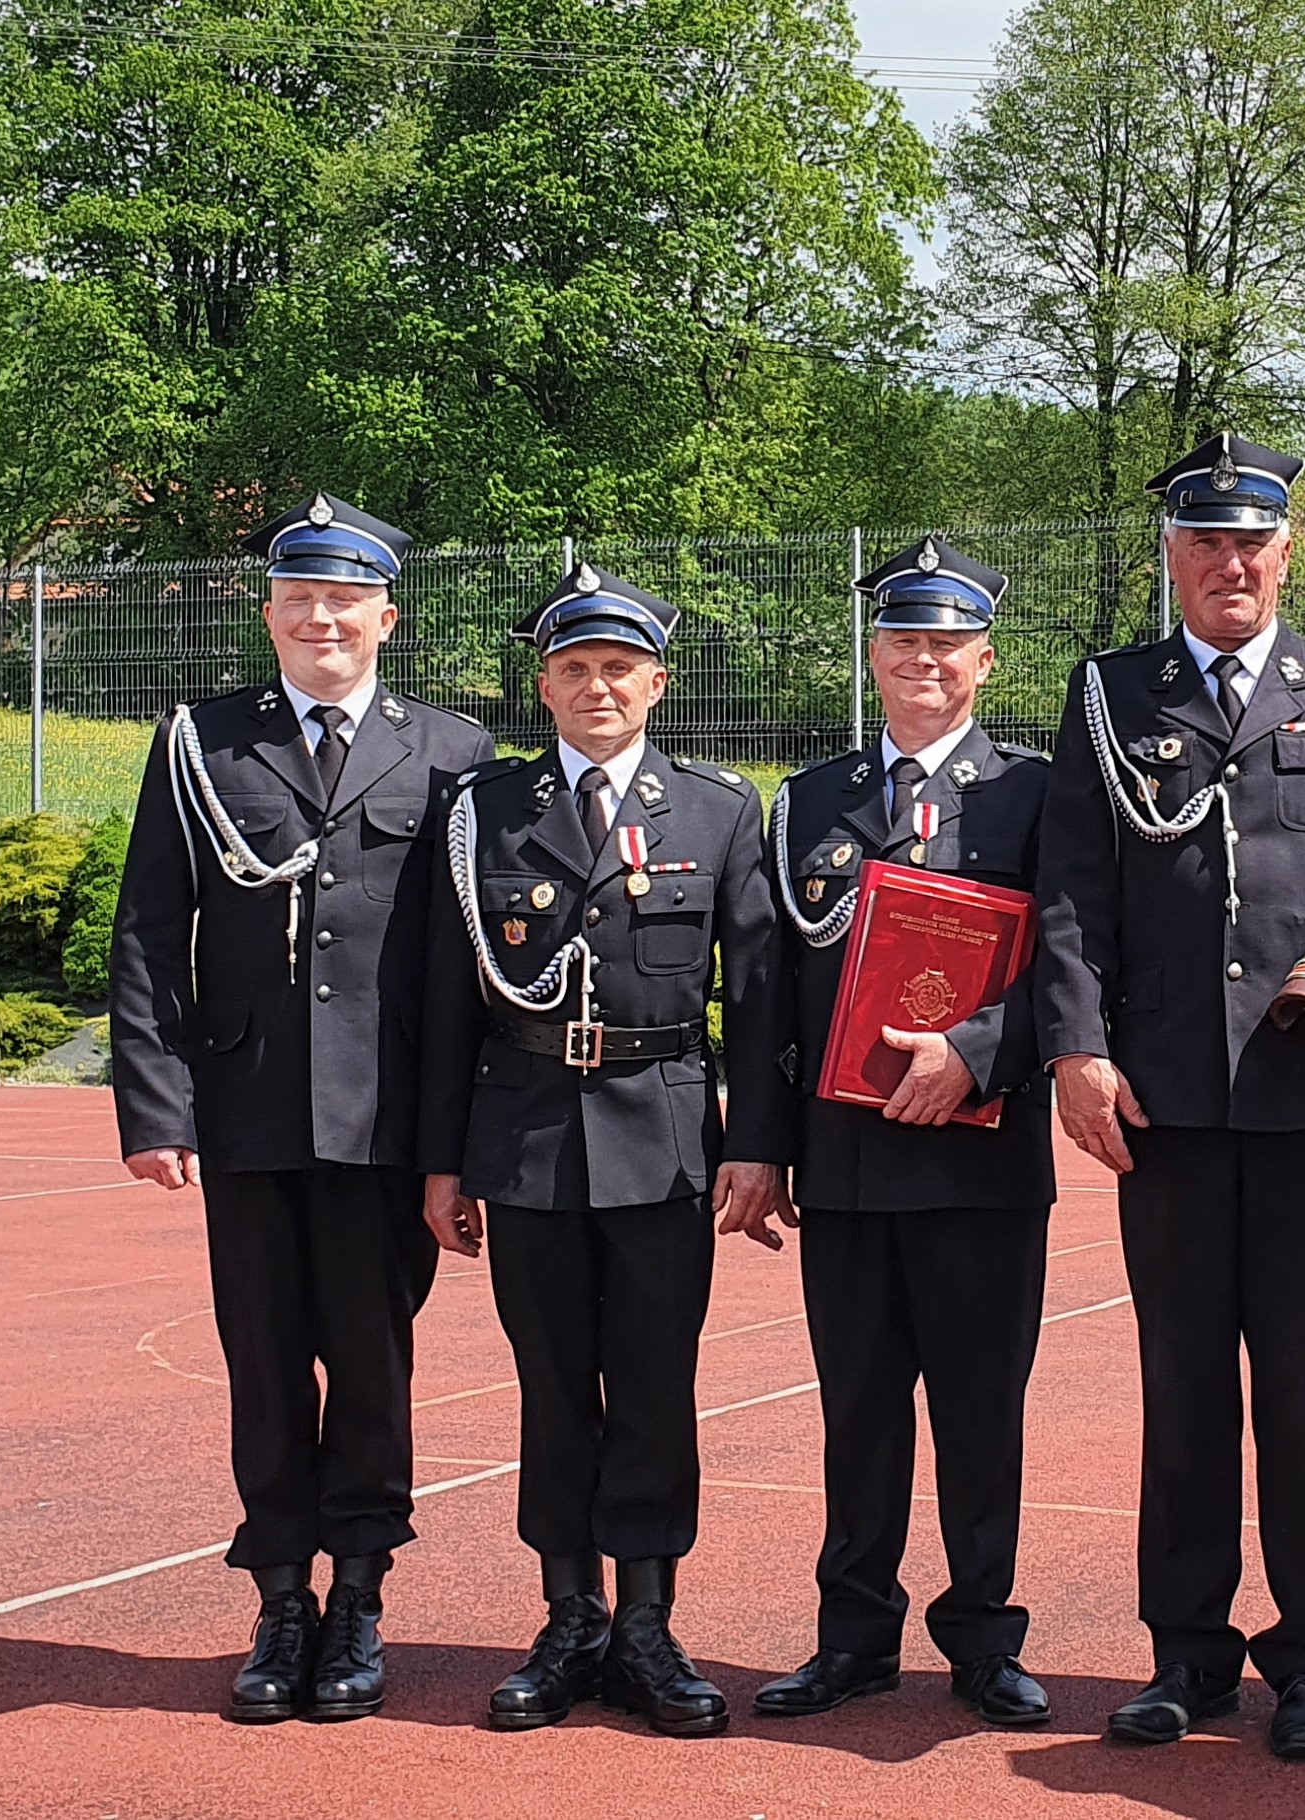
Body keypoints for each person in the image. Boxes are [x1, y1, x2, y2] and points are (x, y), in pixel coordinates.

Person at [1034, 433, 1305, 1762]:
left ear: (1285, 551)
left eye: (1251, 542)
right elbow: (1073, 889)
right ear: (1173, 556)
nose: (1230, 563)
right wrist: (1075, 1047)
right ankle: (1187, 1655)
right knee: (1185, 1387)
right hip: (1167, 1103)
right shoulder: (1111, 694)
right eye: (1205, 542)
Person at [107, 493, 493, 1724]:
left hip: (387, 1117)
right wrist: (156, 1103)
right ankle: (281, 1598)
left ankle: (361, 1594)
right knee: (265, 1361)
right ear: (268, 612)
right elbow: (149, 927)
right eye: (298, 599)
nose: (321, 618)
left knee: (373, 1364)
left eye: (343, 600)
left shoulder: (455, 753)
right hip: (252, 1107)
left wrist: (461, 1136)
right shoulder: (202, 743)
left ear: (386, 616)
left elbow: (469, 961)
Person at [416, 565, 791, 1738]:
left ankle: (647, 1624)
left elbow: (759, 996)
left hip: (664, 1135)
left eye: (618, 668)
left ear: (656, 683)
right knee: (549, 1387)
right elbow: (444, 1000)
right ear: (543, 685)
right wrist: (442, 1160)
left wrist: (757, 1144)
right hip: (524, 1135)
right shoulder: (483, 808)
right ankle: (569, 1617)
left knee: (654, 1387)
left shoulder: (718, 809)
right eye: (574, 668)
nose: (597, 687)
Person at [739, 538, 1056, 1731]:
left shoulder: (1036, 793)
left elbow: (1075, 960)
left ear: (986, 659)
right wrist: (761, 1143)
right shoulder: (809, 799)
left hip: (980, 1162)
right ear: (873, 657)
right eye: (902, 639)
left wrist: (976, 1050)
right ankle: (853, 1636)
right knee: (858, 1414)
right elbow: (767, 989)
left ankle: (983, 1635)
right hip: (849, 1165)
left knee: (981, 1415)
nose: (924, 659)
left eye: (946, 642)